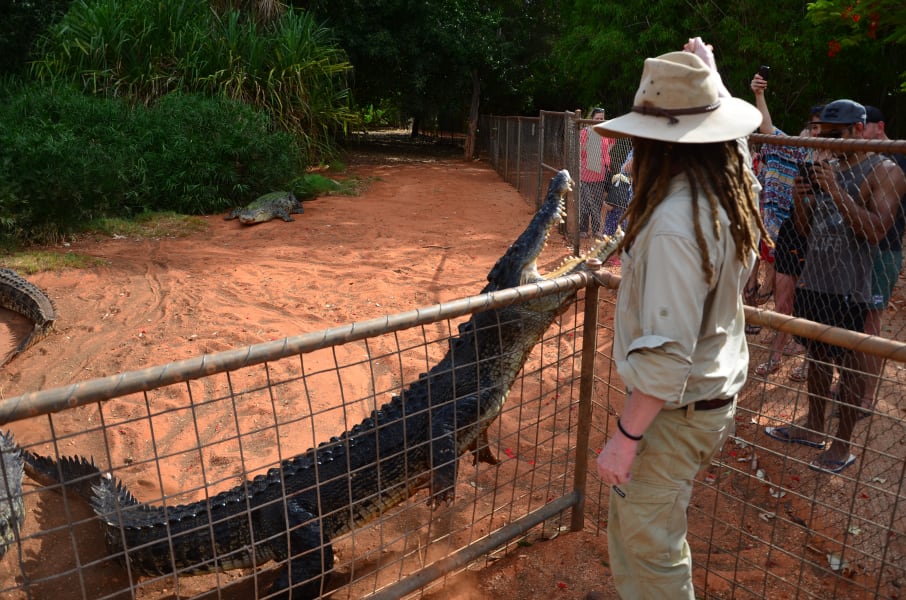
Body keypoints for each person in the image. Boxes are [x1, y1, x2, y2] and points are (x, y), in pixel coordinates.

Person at [593, 38, 764, 598]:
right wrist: (714, 84)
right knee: (645, 528)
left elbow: (666, 356)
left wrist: (624, 436)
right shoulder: (730, 193)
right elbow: (742, 159)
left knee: (649, 549)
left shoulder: (673, 223)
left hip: (675, 409)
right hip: (708, 400)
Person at [765, 99, 905, 474]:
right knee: (817, 357)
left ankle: (841, 445)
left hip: (855, 283)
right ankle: (813, 425)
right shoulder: (830, 167)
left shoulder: (884, 169)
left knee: (852, 361)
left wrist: (837, 191)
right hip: (819, 278)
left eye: (836, 135)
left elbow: (877, 229)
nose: (828, 142)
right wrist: (802, 198)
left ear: (858, 131)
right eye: (823, 134)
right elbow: (810, 229)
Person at [750, 70, 825, 377]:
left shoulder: (844, 157)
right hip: (792, 232)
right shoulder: (796, 148)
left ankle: (811, 361)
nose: (817, 133)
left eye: (824, 128)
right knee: (783, 300)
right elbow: (767, 128)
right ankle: (777, 355)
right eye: (814, 127)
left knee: (816, 303)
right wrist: (759, 94)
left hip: (824, 237)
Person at [579, 107, 614, 237]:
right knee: (584, 202)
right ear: (591, 119)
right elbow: (581, 150)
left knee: (597, 202)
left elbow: (612, 142)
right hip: (586, 172)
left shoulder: (605, 132)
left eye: (601, 118)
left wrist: (604, 156)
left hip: (600, 173)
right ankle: (583, 229)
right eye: (597, 118)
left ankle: (595, 230)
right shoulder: (585, 132)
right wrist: (592, 141)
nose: (599, 120)